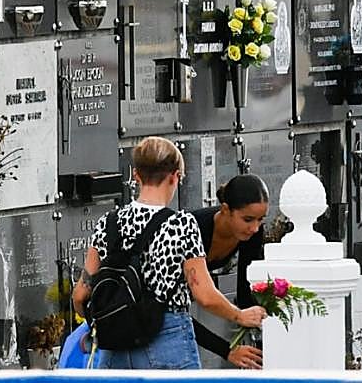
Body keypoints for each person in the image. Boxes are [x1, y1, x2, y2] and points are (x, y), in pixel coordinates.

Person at [71, 137, 266, 370]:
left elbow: (80, 295)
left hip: (115, 345)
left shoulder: (108, 222)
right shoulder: (180, 225)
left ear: (136, 175)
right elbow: (204, 294)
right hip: (167, 338)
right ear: (176, 177)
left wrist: (105, 322)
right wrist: (239, 315)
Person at [190, 174, 270, 370]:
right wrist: (226, 350)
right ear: (226, 210)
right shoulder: (194, 229)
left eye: (260, 220)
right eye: (248, 219)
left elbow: (246, 291)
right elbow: (175, 311)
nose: (254, 228)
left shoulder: (252, 233)